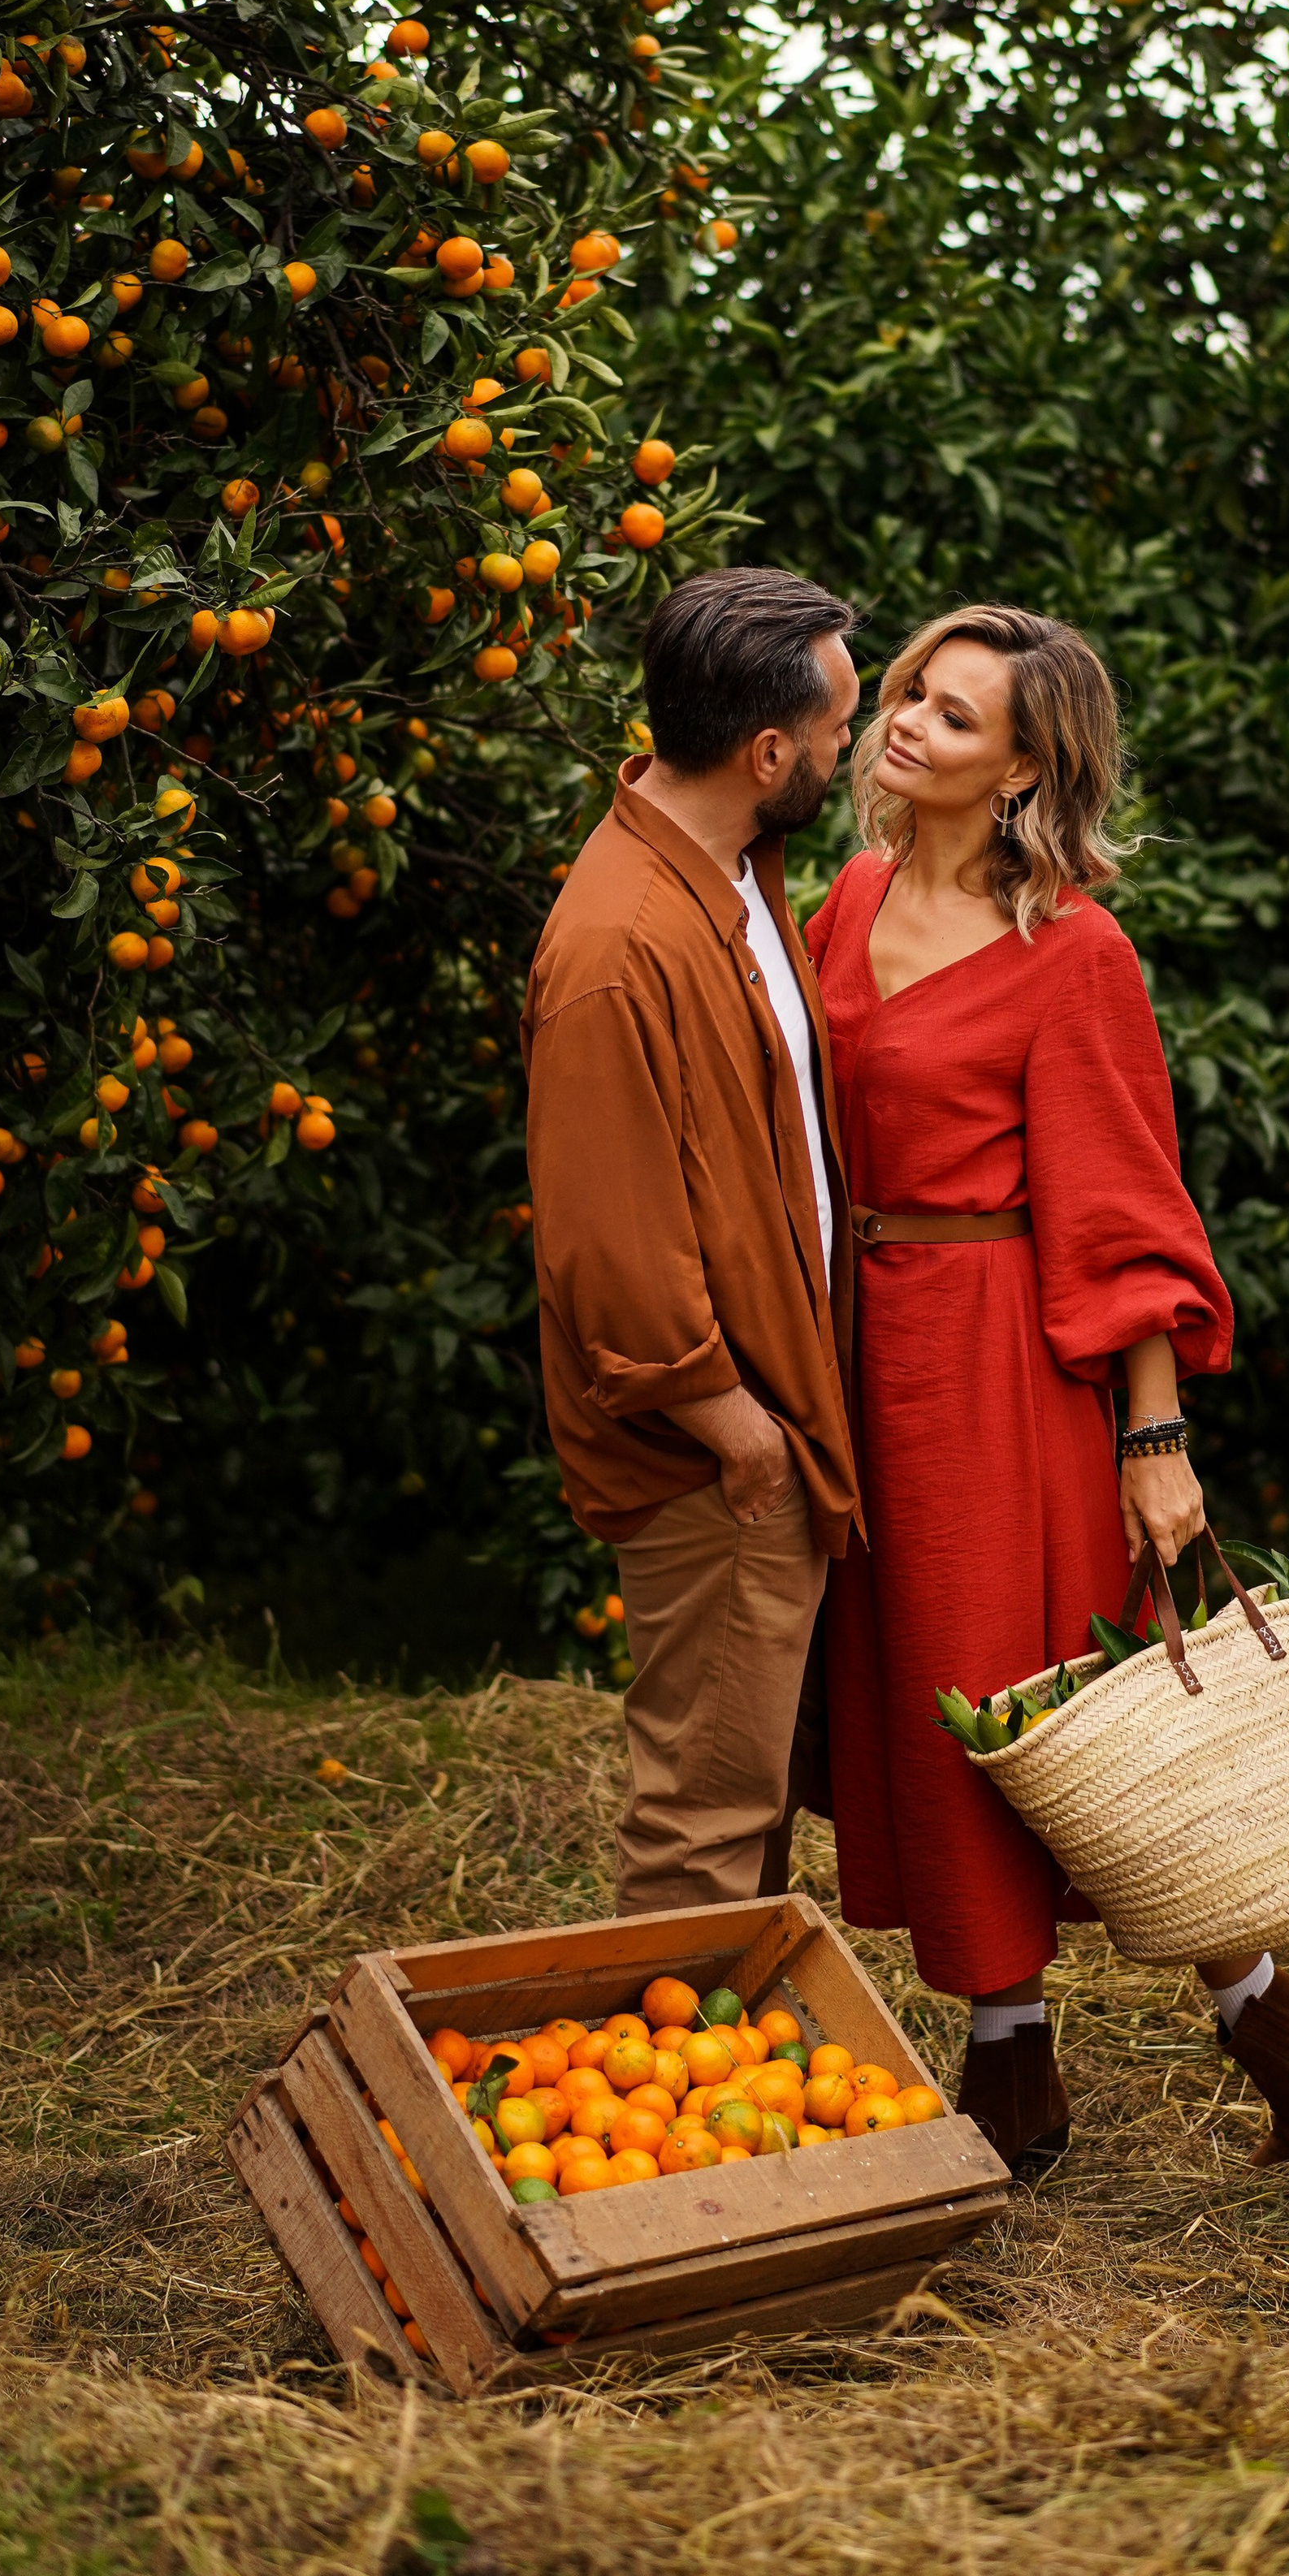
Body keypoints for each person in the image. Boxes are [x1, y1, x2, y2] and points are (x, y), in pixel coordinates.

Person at [806, 603, 1289, 2172]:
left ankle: (1265, 2005)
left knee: (1057, 1717)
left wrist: (1155, 1438)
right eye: (913, 696)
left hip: (1006, 1365)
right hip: (872, 1346)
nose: (911, 724)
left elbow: (1125, 1213)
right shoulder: (849, 896)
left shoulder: (1071, 954)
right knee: (937, 1706)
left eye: (957, 715)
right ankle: (1017, 2057)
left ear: (1021, 774)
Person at [521, 566, 862, 1919]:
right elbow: (606, 1241)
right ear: (767, 750)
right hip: (715, 1454)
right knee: (704, 1820)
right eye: (837, 725)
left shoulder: (728, 875)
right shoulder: (618, 945)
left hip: (770, 1415)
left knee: (750, 1793)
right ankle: (683, 2120)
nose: (850, 745)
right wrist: (737, 1430)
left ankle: (731, 2095)